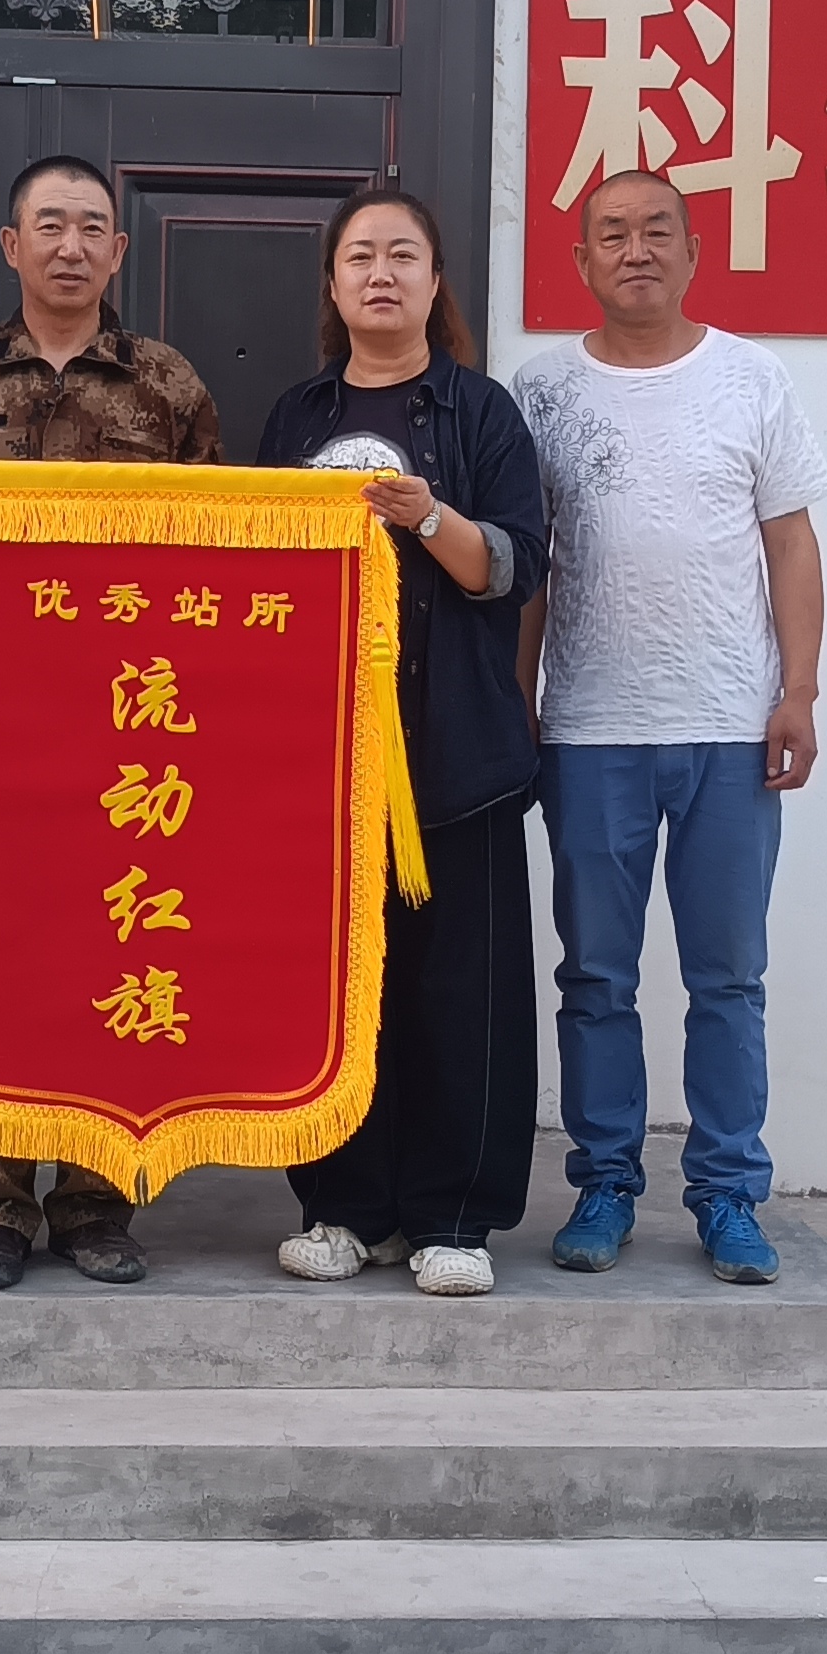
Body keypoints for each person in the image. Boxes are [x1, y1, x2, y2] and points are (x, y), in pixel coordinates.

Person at [0, 155, 224, 1292]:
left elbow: (216, 545)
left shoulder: (166, 382)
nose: (71, 246)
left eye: (93, 227)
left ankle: (96, 1200)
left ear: (119, 251)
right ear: (11, 245)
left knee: (113, 944)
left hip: (127, 725)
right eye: (50, 225)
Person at [512, 168, 827, 1285]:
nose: (636, 249)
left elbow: (791, 543)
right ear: (581, 262)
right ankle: (604, 1183)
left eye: (658, 231)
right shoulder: (542, 391)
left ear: (694, 252)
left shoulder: (750, 377)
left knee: (727, 979)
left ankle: (728, 1194)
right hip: (589, 729)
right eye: (612, 233)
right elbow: (530, 564)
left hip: (728, 728)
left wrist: (799, 692)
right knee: (596, 977)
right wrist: (520, 699)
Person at [261, 188, 549, 1298]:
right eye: (360, 258)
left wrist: (428, 517)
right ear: (333, 286)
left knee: (461, 997)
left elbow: (514, 568)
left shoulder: (482, 413)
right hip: (324, 763)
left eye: (402, 256)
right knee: (337, 991)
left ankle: (455, 1219)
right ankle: (343, 1207)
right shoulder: (297, 415)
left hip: (457, 759)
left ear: (435, 283)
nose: (380, 274)